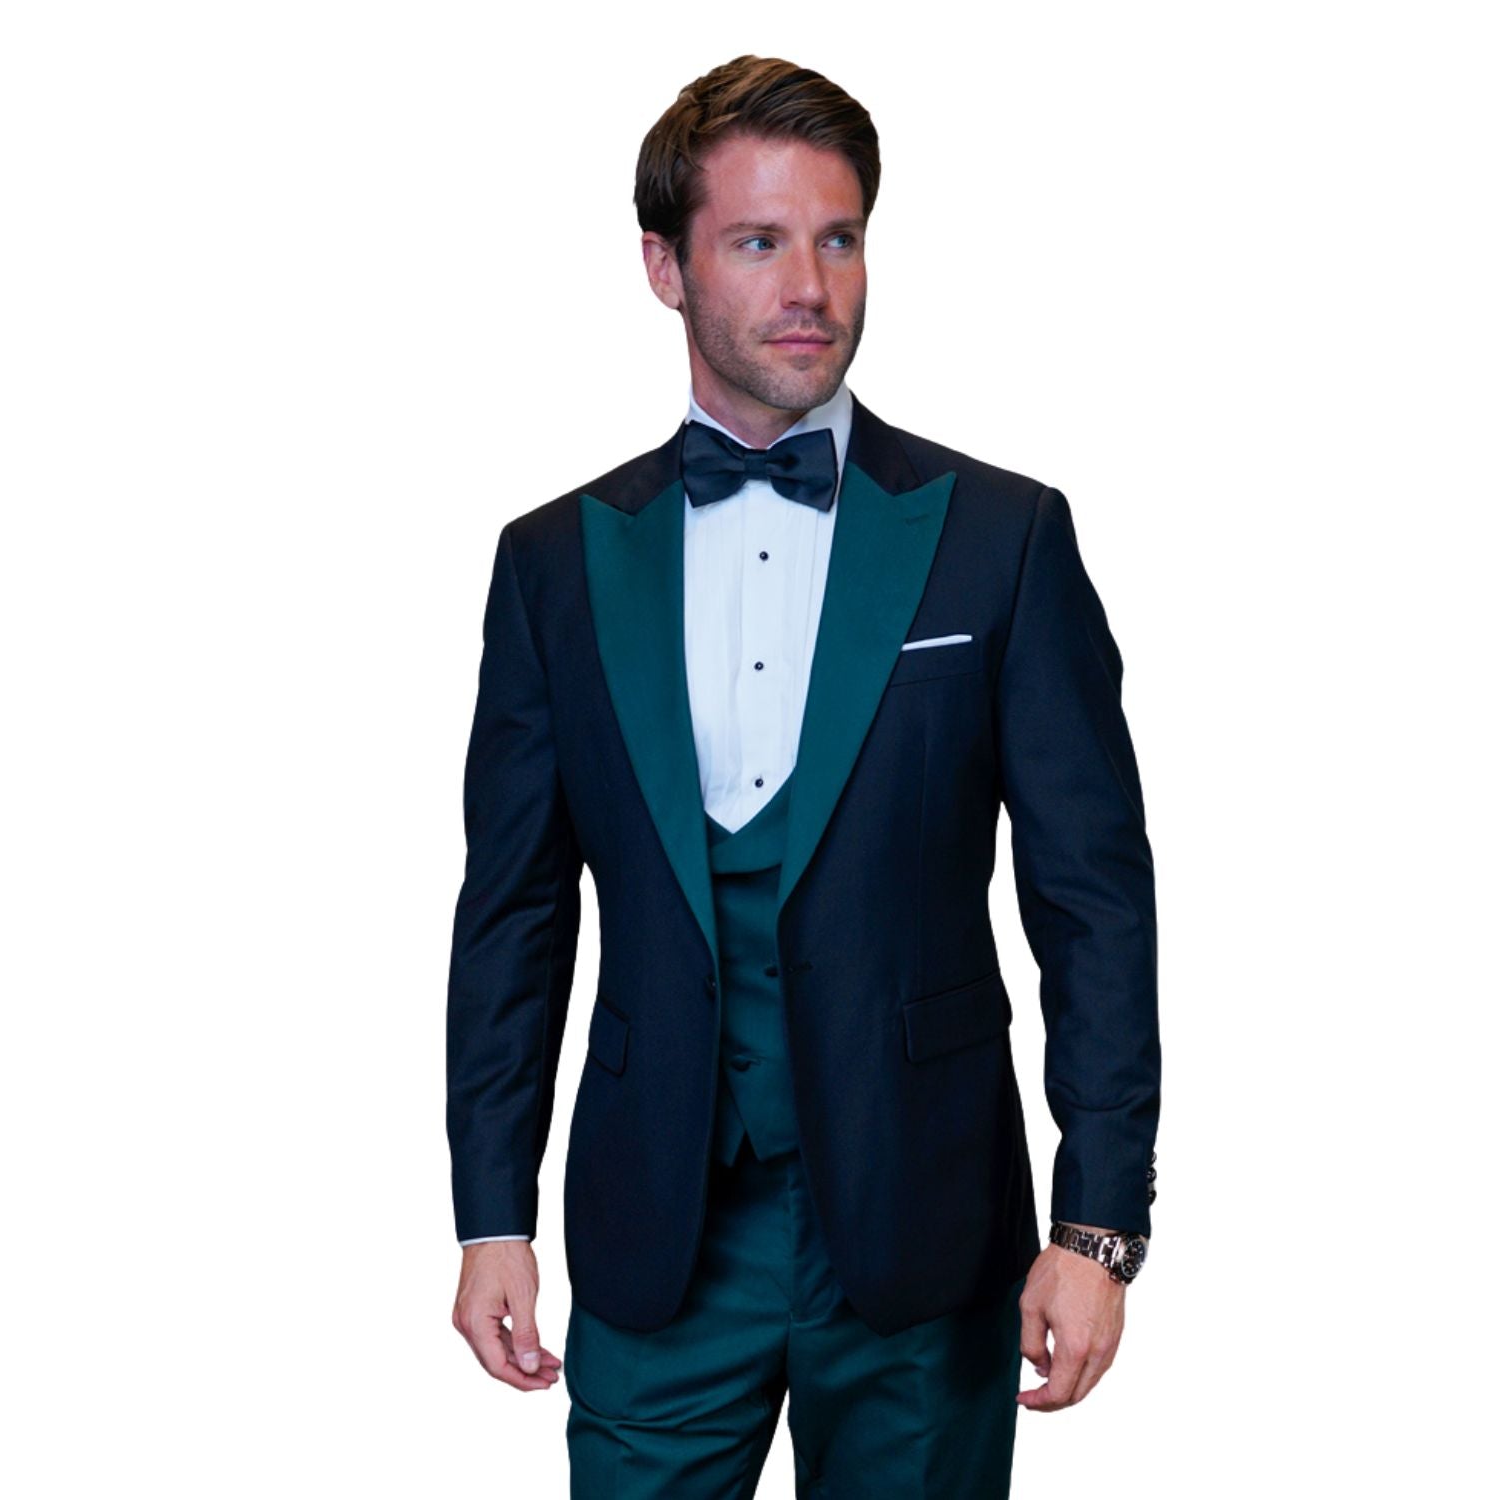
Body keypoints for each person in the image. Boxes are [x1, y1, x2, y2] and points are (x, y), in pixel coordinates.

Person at [446, 53, 1161, 1498]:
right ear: (664, 266)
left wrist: (1095, 1225)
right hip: (661, 1225)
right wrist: (489, 1211)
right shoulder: (554, 565)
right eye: (760, 241)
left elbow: (1094, 903)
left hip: (925, 1223)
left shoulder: (1001, 537)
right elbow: (513, 911)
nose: (811, 288)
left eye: (840, 239)